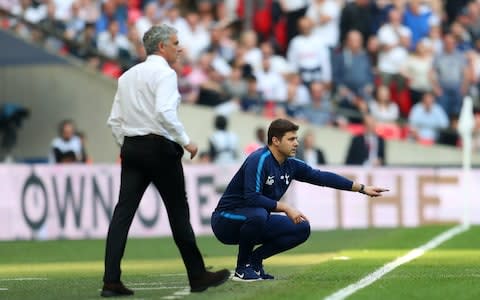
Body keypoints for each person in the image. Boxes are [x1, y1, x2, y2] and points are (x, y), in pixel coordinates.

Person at [103, 24, 230, 297]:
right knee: (178, 213)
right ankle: (197, 275)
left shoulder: (127, 76)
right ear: (161, 47)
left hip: (133, 147)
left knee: (122, 214)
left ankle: (111, 280)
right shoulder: (166, 74)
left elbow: (114, 120)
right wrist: (186, 140)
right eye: (175, 43)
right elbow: (163, 112)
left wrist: (126, 147)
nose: (179, 47)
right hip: (160, 148)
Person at [211, 118, 388, 281]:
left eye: (296, 138)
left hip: (255, 218)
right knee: (258, 214)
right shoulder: (259, 159)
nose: (296, 143)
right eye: (291, 139)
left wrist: (363, 189)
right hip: (225, 220)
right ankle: (242, 268)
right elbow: (252, 198)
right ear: (275, 141)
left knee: (301, 227)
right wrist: (286, 208)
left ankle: (255, 261)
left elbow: (322, 177)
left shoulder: (290, 164)